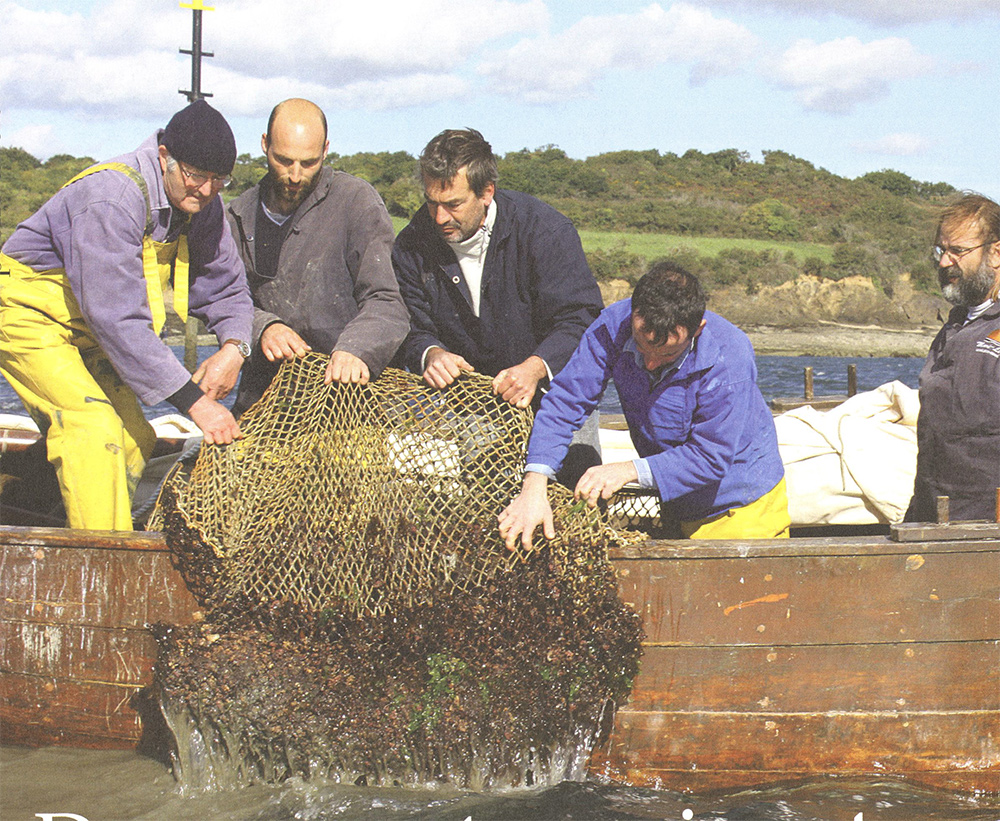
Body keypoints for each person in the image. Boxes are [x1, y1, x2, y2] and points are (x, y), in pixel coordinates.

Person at [0, 100, 253, 531]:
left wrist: (235, 347)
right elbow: (117, 319)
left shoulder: (204, 205)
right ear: (163, 157)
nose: (207, 190)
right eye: (196, 175)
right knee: (92, 429)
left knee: (137, 438)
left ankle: (41, 522)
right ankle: (104, 570)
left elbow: (226, 287)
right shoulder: (112, 198)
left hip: (88, 330)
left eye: (219, 179)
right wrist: (197, 405)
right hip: (27, 315)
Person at [499, 261, 789, 549]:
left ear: (697, 329)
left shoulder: (730, 358)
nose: (649, 362)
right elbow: (565, 403)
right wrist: (534, 486)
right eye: (641, 346)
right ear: (633, 316)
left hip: (740, 503)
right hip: (676, 500)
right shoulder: (614, 325)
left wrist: (628, 470)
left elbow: (710, 456)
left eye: (668, 354)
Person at [392, 128, 605, 486]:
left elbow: (581, 319)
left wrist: (536, 367)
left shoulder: (545, 231)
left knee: (572, 508)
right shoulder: (411, 243)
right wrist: (430, 353)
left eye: (454, 204)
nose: (440, 217)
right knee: (488, 511)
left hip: (560, 398)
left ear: (487, 191)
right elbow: (406, 323)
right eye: (432, 202)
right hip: (477, 407)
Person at [226, 99, 408, 413]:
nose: (295, 175)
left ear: (325, 150)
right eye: (284, 160)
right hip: (264, 400)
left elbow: (387, 300)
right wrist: (263, 327)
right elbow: (226, 299)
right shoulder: (237, 214)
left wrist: (355, 349)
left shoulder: (356, 202)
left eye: (309, 163)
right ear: (264, 145)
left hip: (350, 401)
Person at [905, 193, 1000, 523]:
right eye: (941, 251)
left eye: (958, 251)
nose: (945, 262)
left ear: (996, 253)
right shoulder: (958, 323)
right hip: (932, 507)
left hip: (985, 522)